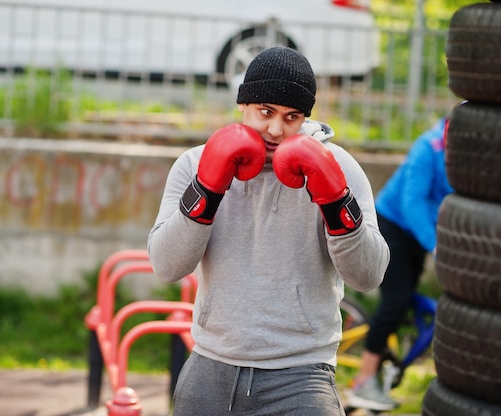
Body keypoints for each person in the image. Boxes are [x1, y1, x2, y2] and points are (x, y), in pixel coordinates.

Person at [147, 46, 389, 416]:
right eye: (265, 113)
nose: (276, 129)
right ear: (242, 105)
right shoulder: (195, 163)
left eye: (291, 117)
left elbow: (368, 276)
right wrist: (207, 190)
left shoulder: (339, 167)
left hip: (302, 375)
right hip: (212, 365)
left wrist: (336, 202)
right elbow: (166, 266)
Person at [347, 116, 453, 411]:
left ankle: (384, 367)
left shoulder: (469, 153)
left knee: (405, 302)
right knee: (395, 302)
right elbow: (412, 202)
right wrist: (434, 244)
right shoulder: (427, 149)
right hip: (393, 226)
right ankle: (364, 380)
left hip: (418, 234)